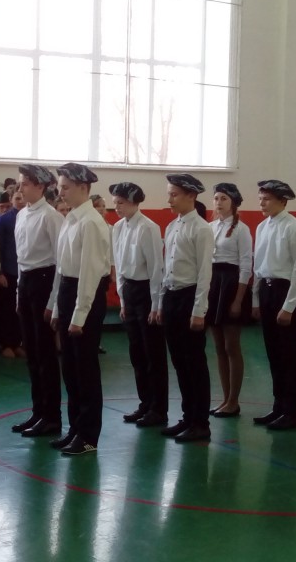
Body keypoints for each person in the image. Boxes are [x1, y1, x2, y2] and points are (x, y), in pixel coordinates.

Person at [48, 163, 110, 455]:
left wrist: (79, 316)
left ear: (83, 188)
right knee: (70, 370)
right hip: (68, 292)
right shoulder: (71, 219)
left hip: (85, 296)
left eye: (66, 187)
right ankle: (74, 428)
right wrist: (57, 308)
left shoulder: (91, 222)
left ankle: (88, 436)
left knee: (85, 370)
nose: (61, 192)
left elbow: (90, 273)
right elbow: (62, 268)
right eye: (60, 186)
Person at [158, 174, 214, 442]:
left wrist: (199, 310)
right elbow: (166, 268)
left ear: (191, 196)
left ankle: (200, 422)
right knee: (179, 361)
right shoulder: (172, 226)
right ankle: (187, 416)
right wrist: (162, 301)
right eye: (169, 194)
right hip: (172, 296)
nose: (169, 199)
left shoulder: (201, 229)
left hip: (190, 297)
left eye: (174, 194)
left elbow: (204, 273)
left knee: (194, 363)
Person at [251, 180, 296, 431]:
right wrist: (255, 299)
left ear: (282, 201)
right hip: (267, 290)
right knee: (274, 353)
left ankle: (292, 412)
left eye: (267, 199)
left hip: (286, 291)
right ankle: (278, 406)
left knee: (290, 356)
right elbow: (258, 266)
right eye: (260, 198)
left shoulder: (295, 227)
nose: (262, 203)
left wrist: (289, 306)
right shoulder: (262, 227)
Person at [110, 182, 169, 428]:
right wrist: (123, 300)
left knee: (153, 353)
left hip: (146, 292)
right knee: (136, 352)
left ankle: (159, 408)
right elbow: (119, 266)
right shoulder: (118, 228)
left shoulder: (148, 228)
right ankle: (145, 403)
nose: (117, 207)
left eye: (121, 203)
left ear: (134, 202)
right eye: (115, 203)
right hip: (130, 291)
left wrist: (156, 305)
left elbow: (156, 269)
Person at [12, 164, 64, 437]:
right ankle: (38, 412)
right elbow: (21, 258)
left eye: (25, 183)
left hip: (45, 282)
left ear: (40, 187)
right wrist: (18, 292)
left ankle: (52, 416)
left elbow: (59, 262)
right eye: (20, 183)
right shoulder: (22, 215)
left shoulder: (51, 217)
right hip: (27, 283)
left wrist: (52, 301)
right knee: (31, 352)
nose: (20, 188)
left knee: (45, 353)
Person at [207, 183, 252, 418]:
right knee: (218, 347)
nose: (218, 202)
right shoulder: (210, 227)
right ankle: (225, 398)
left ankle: (234, 400)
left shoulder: (241, 230)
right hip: (214, 283)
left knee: (231, 346)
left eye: (223, 198)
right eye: (216, 198)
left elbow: (245, 265)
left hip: (231, 284)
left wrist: (238, 299)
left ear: (233, 202)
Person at [0, 190, 22, 358]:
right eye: (17, 198)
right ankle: (5, 344)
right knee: (7, 310)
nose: (21, 201)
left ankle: (16, 343)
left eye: (22, 198)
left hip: (23, 271)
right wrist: (0, 272)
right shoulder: (4, 220)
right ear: (12, 199)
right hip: (8, 271)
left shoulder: (28, 216)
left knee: (19, 310)